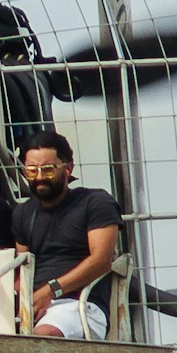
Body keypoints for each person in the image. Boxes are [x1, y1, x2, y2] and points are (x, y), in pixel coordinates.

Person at [11, 129, 123, 340]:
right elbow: (22, 267)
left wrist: (51, 291)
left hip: (80, 305)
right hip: (35, 305)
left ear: (67, 169)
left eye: (49, 170)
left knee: (44, 335)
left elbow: (102, 260)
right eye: (32, 171)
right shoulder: (23, 212)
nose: (40, 178)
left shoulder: (95, 202)